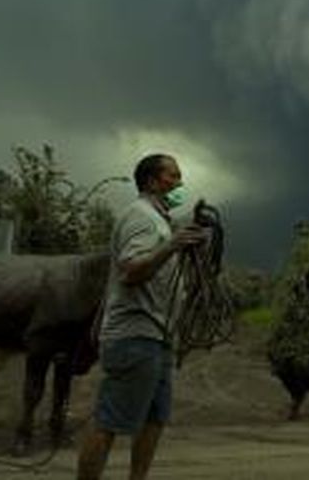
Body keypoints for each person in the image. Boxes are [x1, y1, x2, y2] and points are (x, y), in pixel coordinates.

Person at [77, 153, 209, 480]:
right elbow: (131, 272)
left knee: (154, 418)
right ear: (152, 181)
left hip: (157, 337)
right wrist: (171, 246)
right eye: (173, 176)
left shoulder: (159, 220)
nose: (179, 183)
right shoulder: (141, 217)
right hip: (136, 337)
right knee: (109, 421)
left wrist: (180, 243)